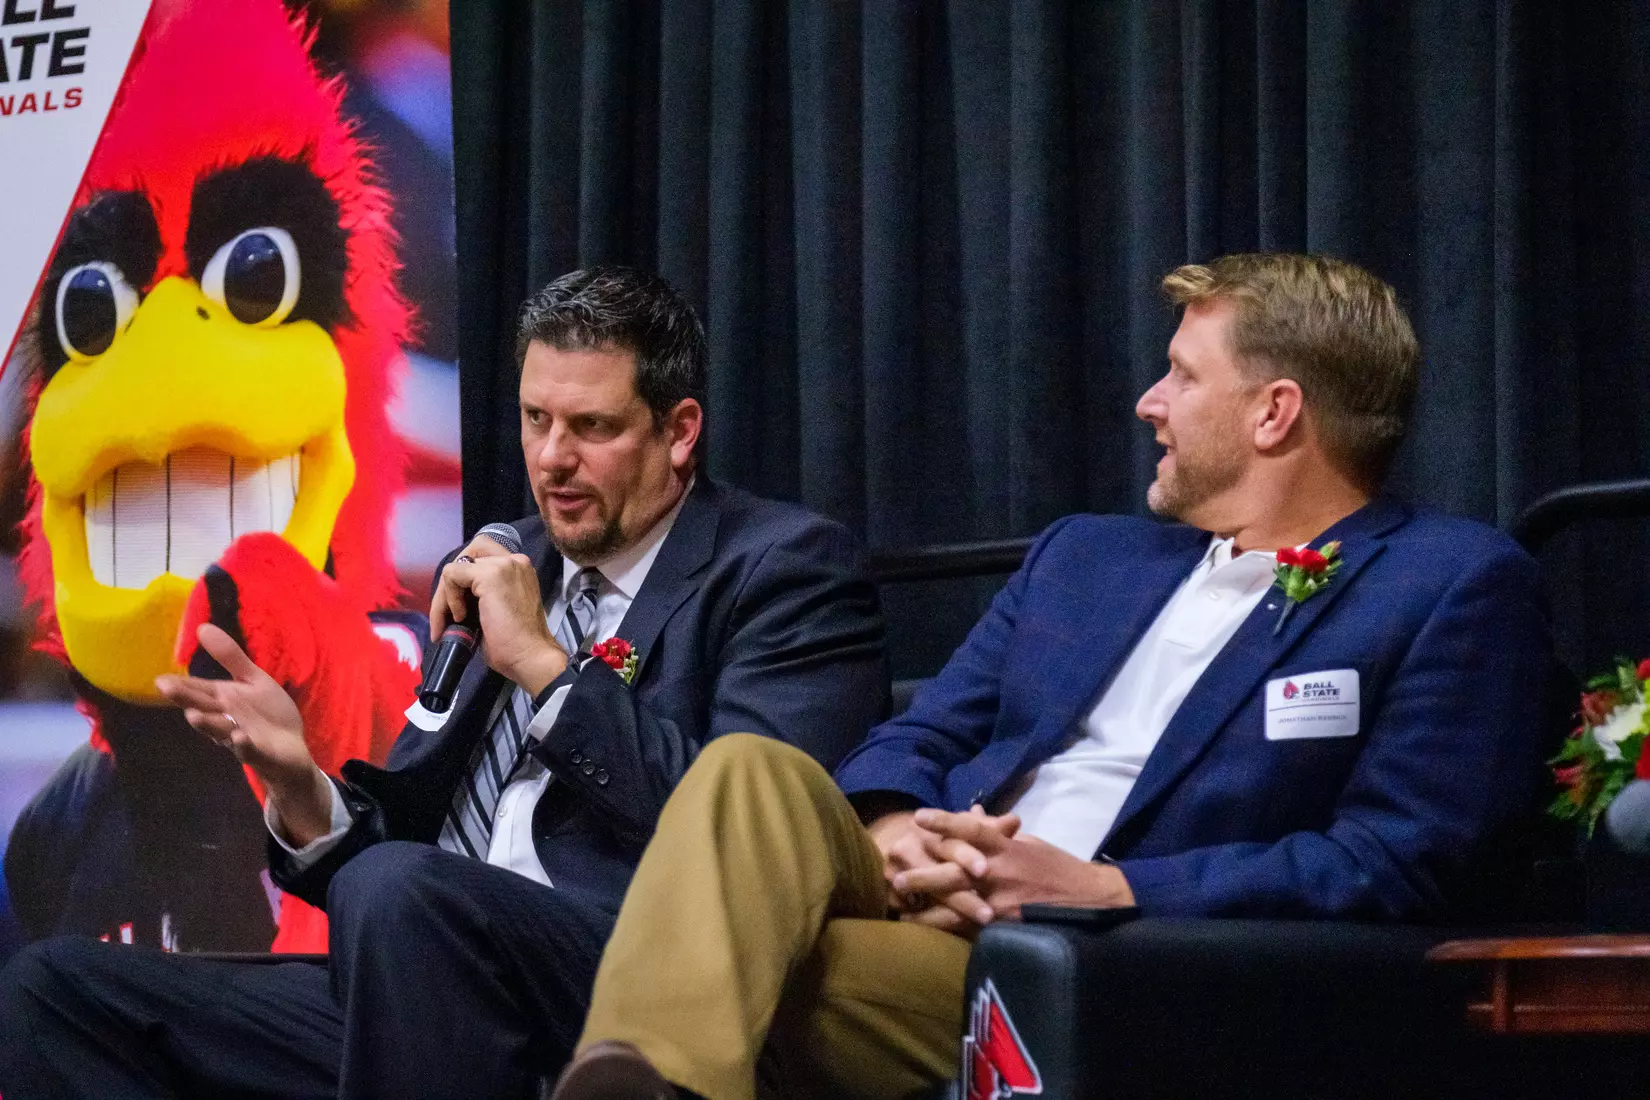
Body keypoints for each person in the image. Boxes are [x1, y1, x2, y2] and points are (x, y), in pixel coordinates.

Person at [548, 253, 1553, 1100]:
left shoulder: (1447, 582)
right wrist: (901, 835)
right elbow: (922, 736)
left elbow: (1400, 856)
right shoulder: (1086, 558)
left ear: (1275, 411)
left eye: (1182, 375)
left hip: (1124, 961)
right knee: (750, 770)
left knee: (740, 978)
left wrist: (1101, 886)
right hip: (934, 895)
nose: (1148, 402)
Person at [0, 267, 889, 1099]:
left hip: (630, 975)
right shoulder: (504, 562)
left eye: (593, 428)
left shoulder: (783, 569)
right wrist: (297, 778)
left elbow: (761, 830)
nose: (551, 459)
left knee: (401, 891)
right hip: (419, 973)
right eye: (536, 420)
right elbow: (398, 843)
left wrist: (548, 670)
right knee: (56, 990)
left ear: (680, 430)